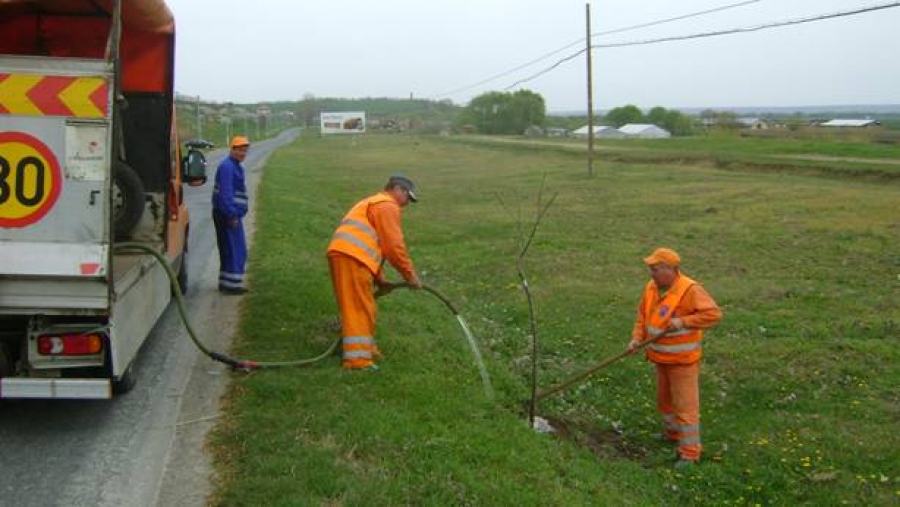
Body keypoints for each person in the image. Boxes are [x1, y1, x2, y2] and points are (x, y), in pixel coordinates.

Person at [627, 247, 721, 469]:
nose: (652, 273)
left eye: (656, 269)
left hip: (683, 361)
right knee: (665, 401)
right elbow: (642, 316)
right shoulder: (651, 288)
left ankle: (689, 453)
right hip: (660, 357)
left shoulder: (690, 290)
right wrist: (636, 339)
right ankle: (672, 435)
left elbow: (713, 315)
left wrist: (683, 322)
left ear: (672, 269)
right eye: (650, 269)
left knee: (685, 406)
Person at [327, 174, 423, 371]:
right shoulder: (387, 205)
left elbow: (376, 247)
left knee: (362, 306)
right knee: (359, 308)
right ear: (399, 190)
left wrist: (381, 280)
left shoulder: (374, 202)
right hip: (352, 258)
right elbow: (393, 247)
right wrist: (410, 276)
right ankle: (358, 361)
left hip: (349, 257)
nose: (407, 204)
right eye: (408, 198)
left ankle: (365, 349)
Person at [212, 136, 250, 295]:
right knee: (235, 249)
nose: (243, 153)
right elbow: (226, 195)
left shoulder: (235, 165)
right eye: (239, 150)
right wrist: (232, 215)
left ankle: (225, 282)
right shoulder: (228, 167)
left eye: (245, 150)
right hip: (227, 215)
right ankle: (232, 285)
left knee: (229, 249)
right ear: (232, 149)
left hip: (228, 214)